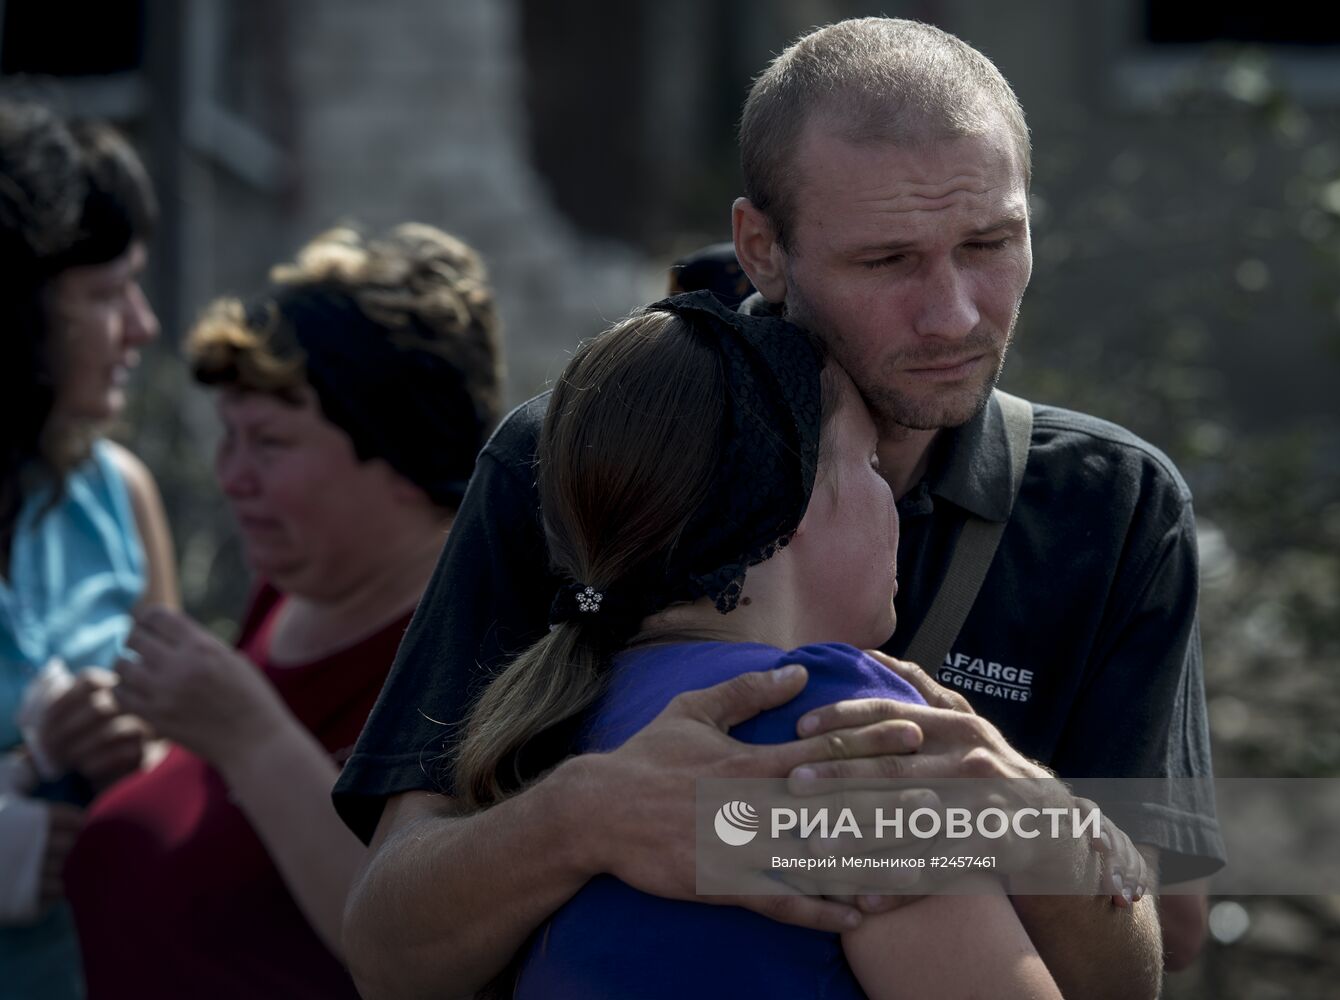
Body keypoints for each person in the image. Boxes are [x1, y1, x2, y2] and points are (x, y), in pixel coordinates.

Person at [337, 18, 1225, 999]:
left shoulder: (1113, 503)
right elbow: (385, 945)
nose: (954, 314)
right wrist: (582, 816)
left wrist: (1017, 814)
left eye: (989, 243)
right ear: (759, 247)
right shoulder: (574, 455)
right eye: (886, 261)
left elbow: (1163, 934)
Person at [455, 292, 1062, 997]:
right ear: (794, 496)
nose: (891, 500)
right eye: (869, 461)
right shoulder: (834, 719)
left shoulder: (566, 707)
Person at [61, 223, 503, 998]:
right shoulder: (295, 588)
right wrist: (141, 751)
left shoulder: (473, 657)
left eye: (268, 443)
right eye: (226, 438)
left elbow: (430, 952)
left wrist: (248, 735)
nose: (230, 477)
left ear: (402, 454)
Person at [0, 100, 177, 1000]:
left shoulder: (119, 494)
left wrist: (134, 749)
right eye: (107, 295)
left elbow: (183, 773)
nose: (143, 328)